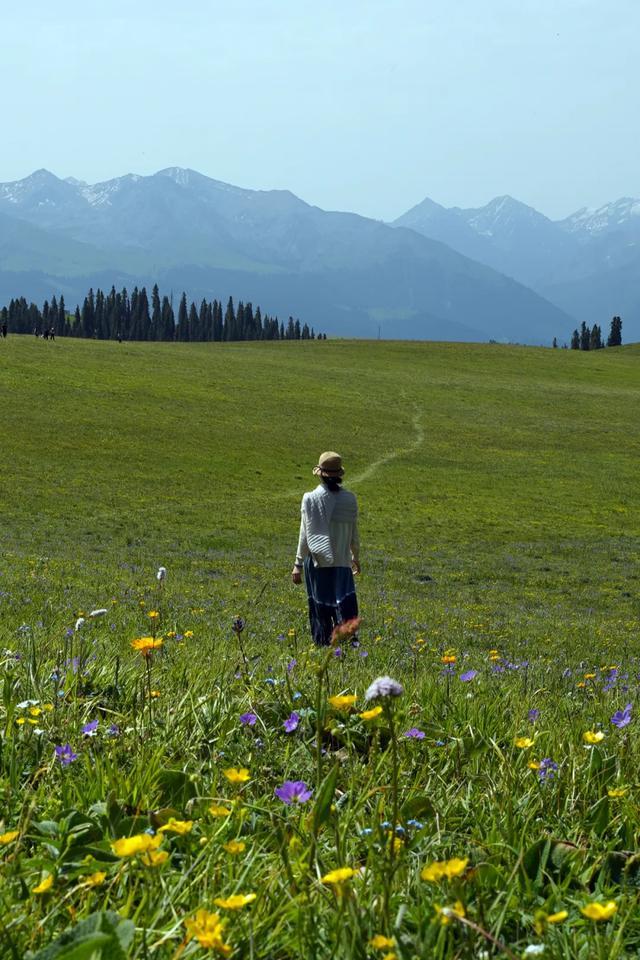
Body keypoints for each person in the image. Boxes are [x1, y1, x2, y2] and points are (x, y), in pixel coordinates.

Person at [292, 451, 360, 645]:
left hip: (317, 563)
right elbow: (354, 533)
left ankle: (323, 644)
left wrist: (297, 564)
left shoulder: (310, 499)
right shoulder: (350, 499)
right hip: (342, 562)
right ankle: (348, 644)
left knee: (320, 608)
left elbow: (304, 534)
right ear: (339, 475)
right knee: (345, 605)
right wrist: (356, 556)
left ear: (321, 474)